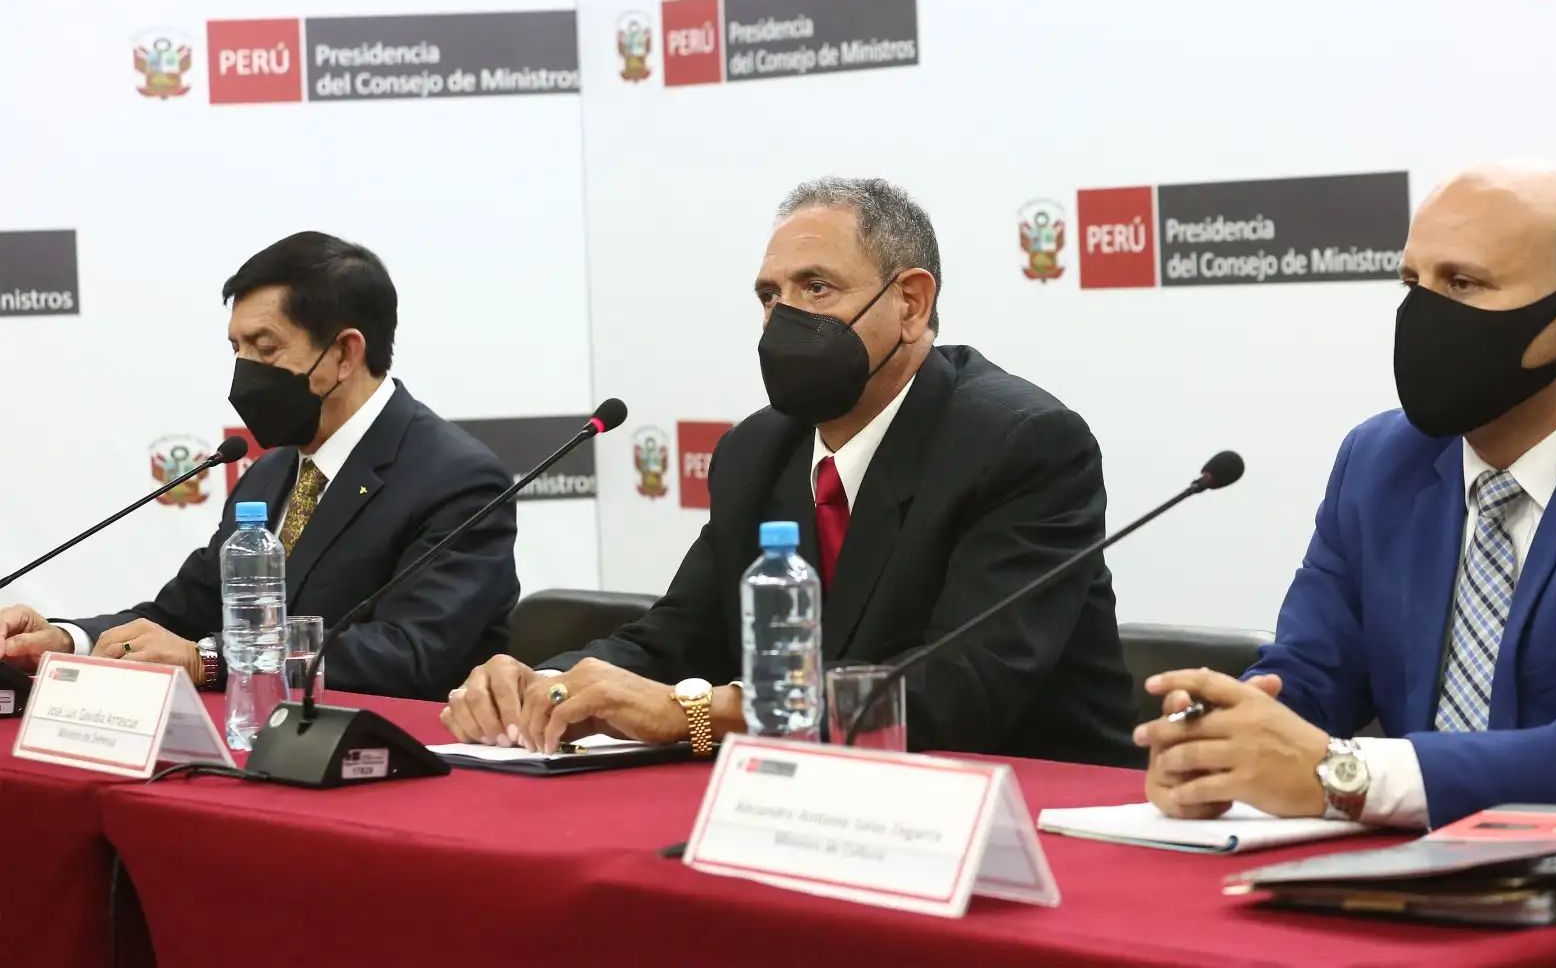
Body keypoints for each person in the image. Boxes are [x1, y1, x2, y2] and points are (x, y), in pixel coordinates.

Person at [1138, 162, 1556, 828]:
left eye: (1462, 283)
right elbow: (1310, 674)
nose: (1422, 313)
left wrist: (1345, 776)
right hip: (1425, 881)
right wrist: (1222, 739)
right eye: (1411, 282)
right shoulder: (1380, 463)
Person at [443, 177, 1138, 765]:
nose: (784, 320)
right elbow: (676, 637)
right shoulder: (759, 450)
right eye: (770, 297)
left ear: (912, 303)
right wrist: (545, 686)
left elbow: (953, 694)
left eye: (817, 288)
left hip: (1031, 817)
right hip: (818, 804)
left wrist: (695, 714)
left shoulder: (1019, 443)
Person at [0, 232, 520, 701]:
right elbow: (185, 614)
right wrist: (68, 639)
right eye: (236, 348)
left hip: (396, 767)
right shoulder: (271, 472)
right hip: (266, 746)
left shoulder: (456, 479)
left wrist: (208, 660)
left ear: (344, 353)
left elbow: (411, 652)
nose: (244, 372)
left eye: (264, 348)